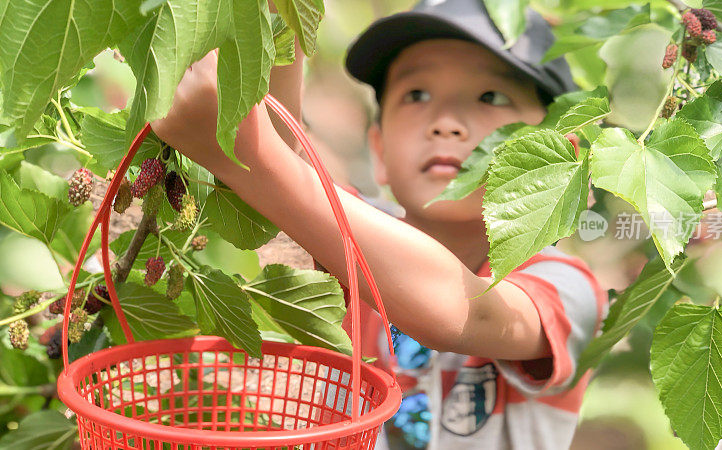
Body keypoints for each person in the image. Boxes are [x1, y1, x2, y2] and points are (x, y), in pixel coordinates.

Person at [152, 1, 608, 448]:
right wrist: (279, 14)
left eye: (492, 96)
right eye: (417, 95)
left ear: (561, 159)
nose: (446, 122)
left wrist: (249, 154)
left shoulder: (567, 287)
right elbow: (283, 152)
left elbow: (466, 312)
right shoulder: (346, 229)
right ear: (378, 148)